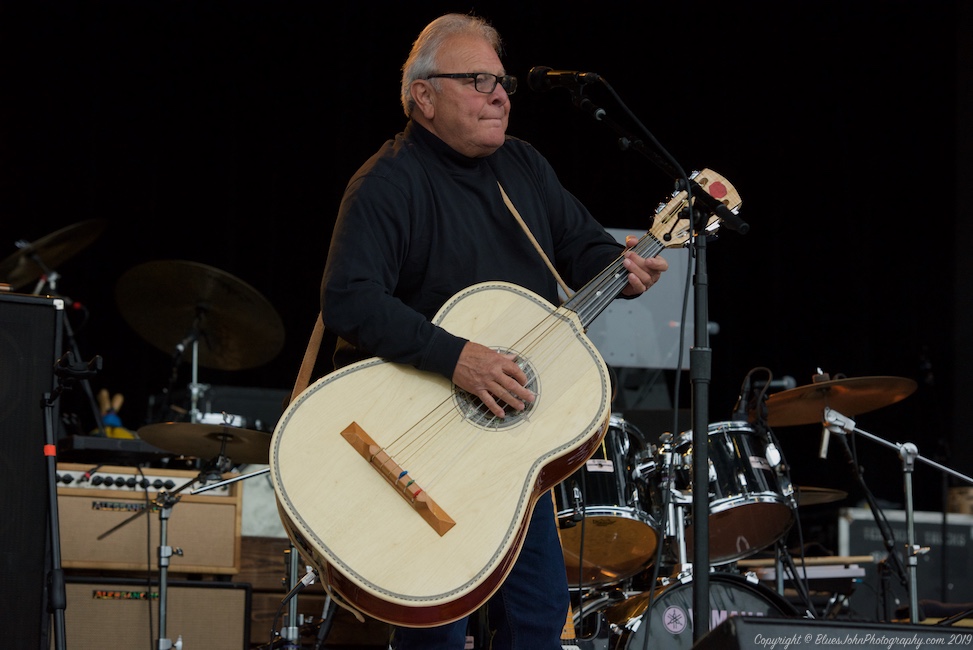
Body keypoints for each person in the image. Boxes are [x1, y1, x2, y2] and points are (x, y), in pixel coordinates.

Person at [319, 12, 669, 650]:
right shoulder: (387, 183)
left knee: (537, 620)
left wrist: (621, 266)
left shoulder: (524, 167)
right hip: (417, 443)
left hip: (506, 444)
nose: (501, 93)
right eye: (477, 79)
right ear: (423, 96)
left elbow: (584, 247)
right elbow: (349, 300)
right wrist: (458, 357)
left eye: (501, 79)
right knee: (438, 631)